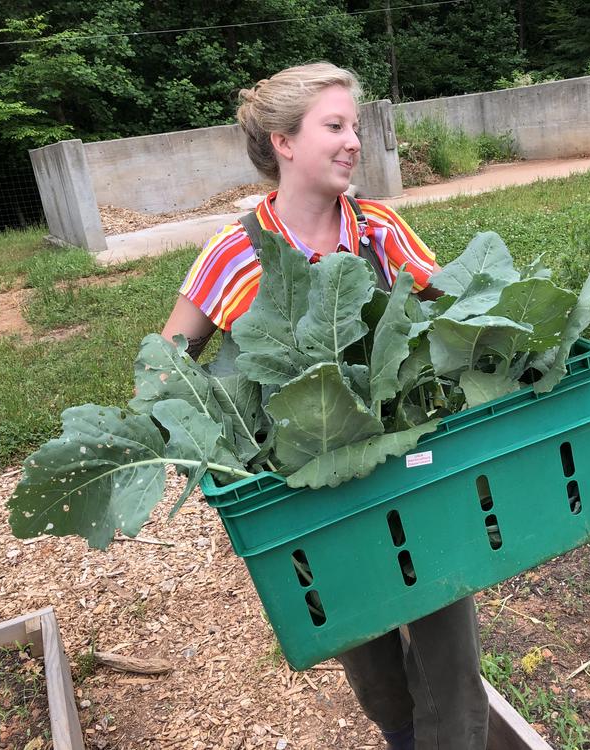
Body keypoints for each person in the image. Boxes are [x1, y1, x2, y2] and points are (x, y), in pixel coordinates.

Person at [160, 62, 489, 750]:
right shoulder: (234, 254)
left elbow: (463, 309)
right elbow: (167, 364)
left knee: (448, 643)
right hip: (307, 492)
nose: (353, 142)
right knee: (363, 648)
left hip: (410, 472)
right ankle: (400, 735)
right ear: (282, 141)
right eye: (334, 126)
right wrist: (199, 435)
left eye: (354, 127)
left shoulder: (379, 232)